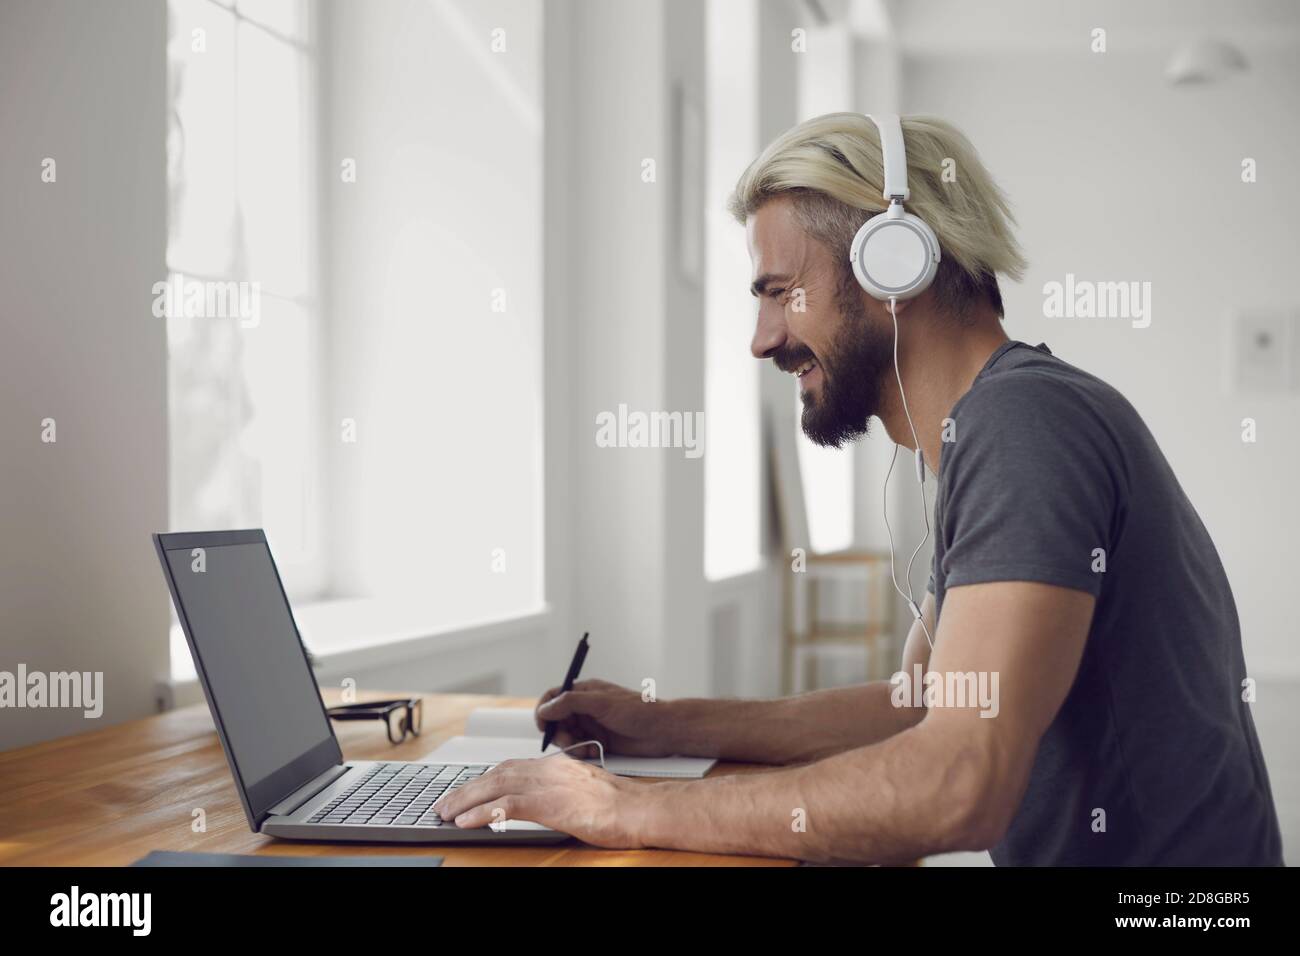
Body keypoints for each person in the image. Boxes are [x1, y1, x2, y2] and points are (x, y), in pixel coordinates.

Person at [433, 113, 1283, 865]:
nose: (762, 340)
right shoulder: (987, 426)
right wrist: (662, 724)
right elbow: (917, 709)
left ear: (893, 265)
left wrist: (628, 809)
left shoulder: (1026, 426)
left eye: (778, 293)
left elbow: (958, 779)